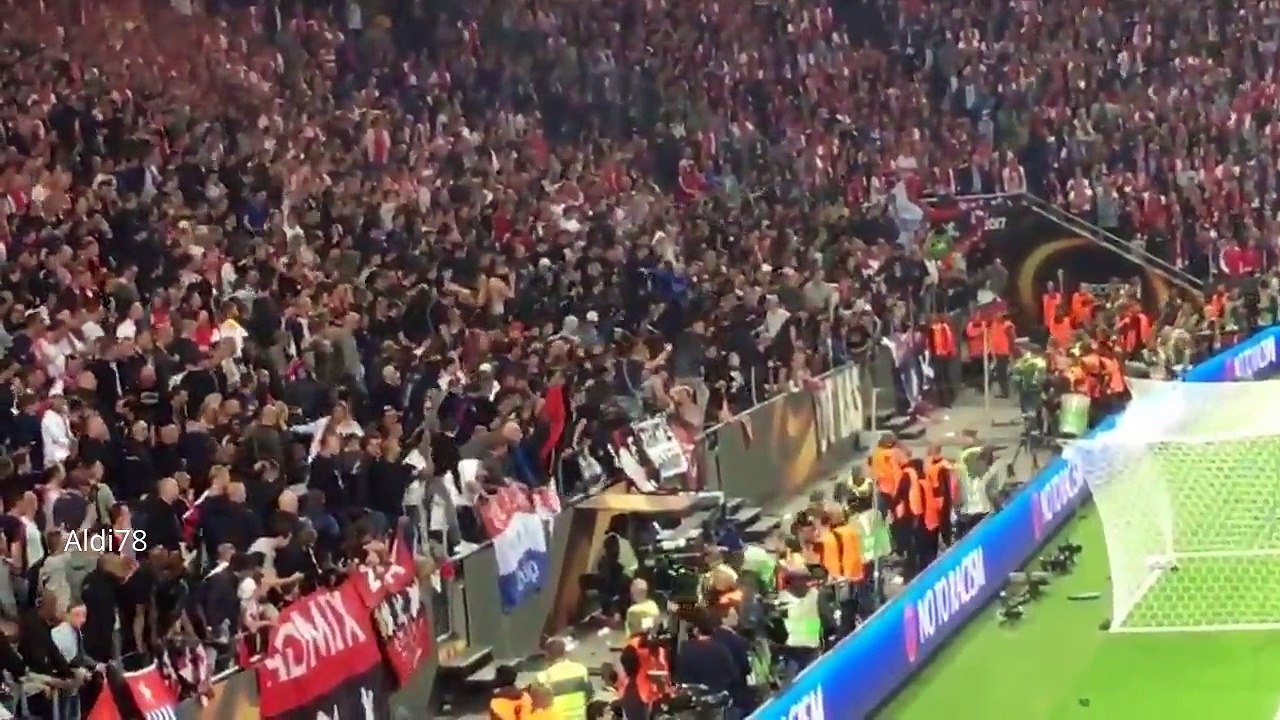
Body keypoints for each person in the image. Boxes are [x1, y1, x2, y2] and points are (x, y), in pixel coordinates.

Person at [535, 637, 592, 720]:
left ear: (547, 655)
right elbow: (588, 695)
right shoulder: (581, 669)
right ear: (565, 652)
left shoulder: (543, 677)